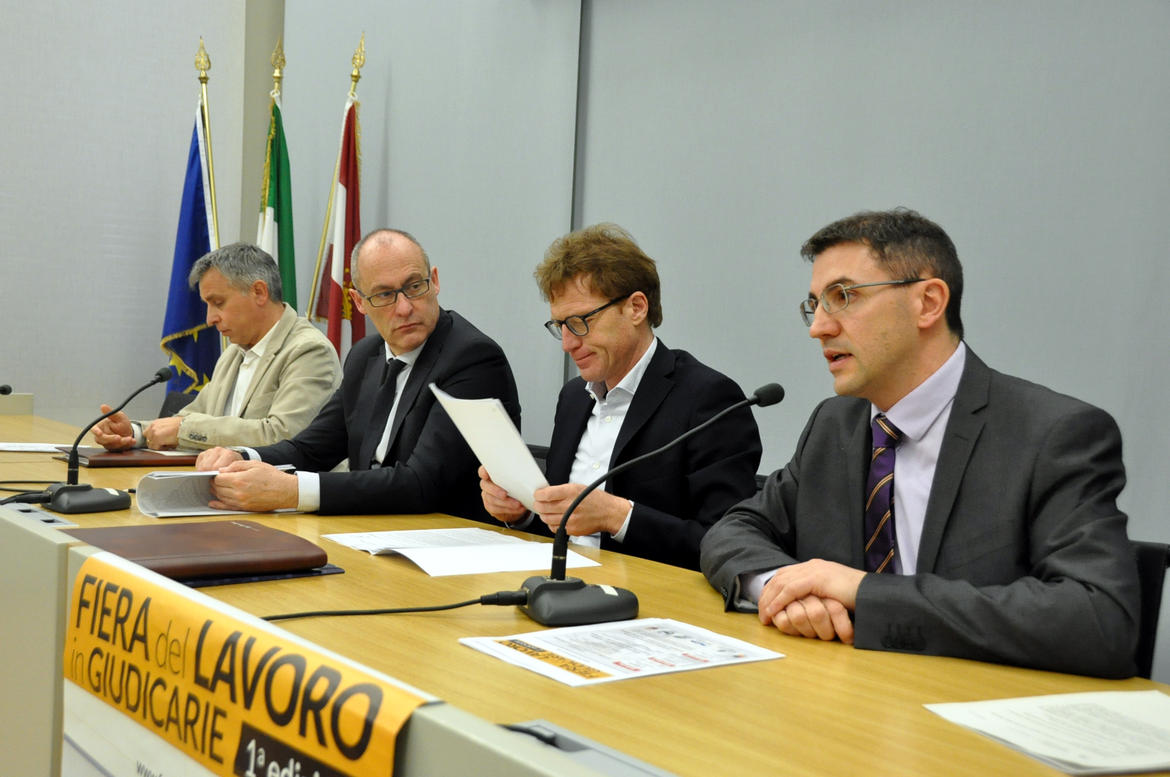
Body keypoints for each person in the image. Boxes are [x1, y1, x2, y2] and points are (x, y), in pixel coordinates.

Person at [700, 208, 1140, 678]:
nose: (819, 327)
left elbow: (1098, 620)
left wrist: (864, 593)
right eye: (815, 304)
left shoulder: (1053, 434)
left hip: (972, 719)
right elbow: (735, 529)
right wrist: (778, 587)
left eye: (842, 296)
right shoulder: (836, 424)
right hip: (840, 702)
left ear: (928, 302)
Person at [480, 223, 762, 569]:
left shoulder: (709, 399)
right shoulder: (573, 398)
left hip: (650, 602)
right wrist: (523, 514)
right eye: (560, 327)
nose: (568, 343)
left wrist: (619, 518)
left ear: (636, 308)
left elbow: (729, 544)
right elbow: (568, 526)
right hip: (559, 587)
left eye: (580, 321)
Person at [196, 228, 520, 521]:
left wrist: (293, 491)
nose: (404, 307)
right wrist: (238, 456)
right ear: (359, 302)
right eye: (383, 295)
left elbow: (421, 483)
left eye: (415, 287)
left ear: (434, 281)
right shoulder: (366, 355)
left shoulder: (471, 358)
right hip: (372, 530)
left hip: (449, 543)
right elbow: (312, 449)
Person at [92, 243, 341, 451]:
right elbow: (190, 417)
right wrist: (134, 433)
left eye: (218, 303)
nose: (210, 319)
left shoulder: (308, 351)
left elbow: (283, 436)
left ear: (259, 292)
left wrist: (184, 430)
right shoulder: (234, 352)